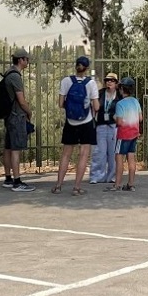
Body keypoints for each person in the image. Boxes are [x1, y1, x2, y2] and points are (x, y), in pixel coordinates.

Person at [53, 55, 97, 196]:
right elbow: (96, 106)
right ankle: (77, 187)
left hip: (70, 122)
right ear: (87, 68)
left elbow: (60, 104)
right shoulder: (91, 83)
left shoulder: (66, 81)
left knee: (66, 154)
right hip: (86, 121)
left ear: (76, 66)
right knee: (83, 155)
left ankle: (58, 185)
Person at [0, 50, 36, 192]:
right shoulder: (15, 77)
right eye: (27, 59)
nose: (28, 62)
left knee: (8, 148)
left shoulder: (8, 73)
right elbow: (21, 100)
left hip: (9, 116)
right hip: (16, 117)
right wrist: (29, 112)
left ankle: (8, 178)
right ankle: (17, 182)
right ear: (21, 60)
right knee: (16, 150)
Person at [110, 76, 143, 192]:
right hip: (134, 134)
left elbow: (119, 121)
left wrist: (114, 117)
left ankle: (117, 184)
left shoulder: (120, 104)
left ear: (121, 89)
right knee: (131, 158)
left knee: (119, 158)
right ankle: (131, 184)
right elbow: (140, 118)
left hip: (123, 135)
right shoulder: (135, 101)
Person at [90, 71, 120, 183]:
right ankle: (97, 176)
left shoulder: (119, 95)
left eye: (112, 80)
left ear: (116, 83)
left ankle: (112, 176)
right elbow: (94, 107)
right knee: (99, 152)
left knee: (113, 153)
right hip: (101, 125)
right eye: (107, 80)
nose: (109, 82)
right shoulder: (100, 93)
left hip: (114, 126)